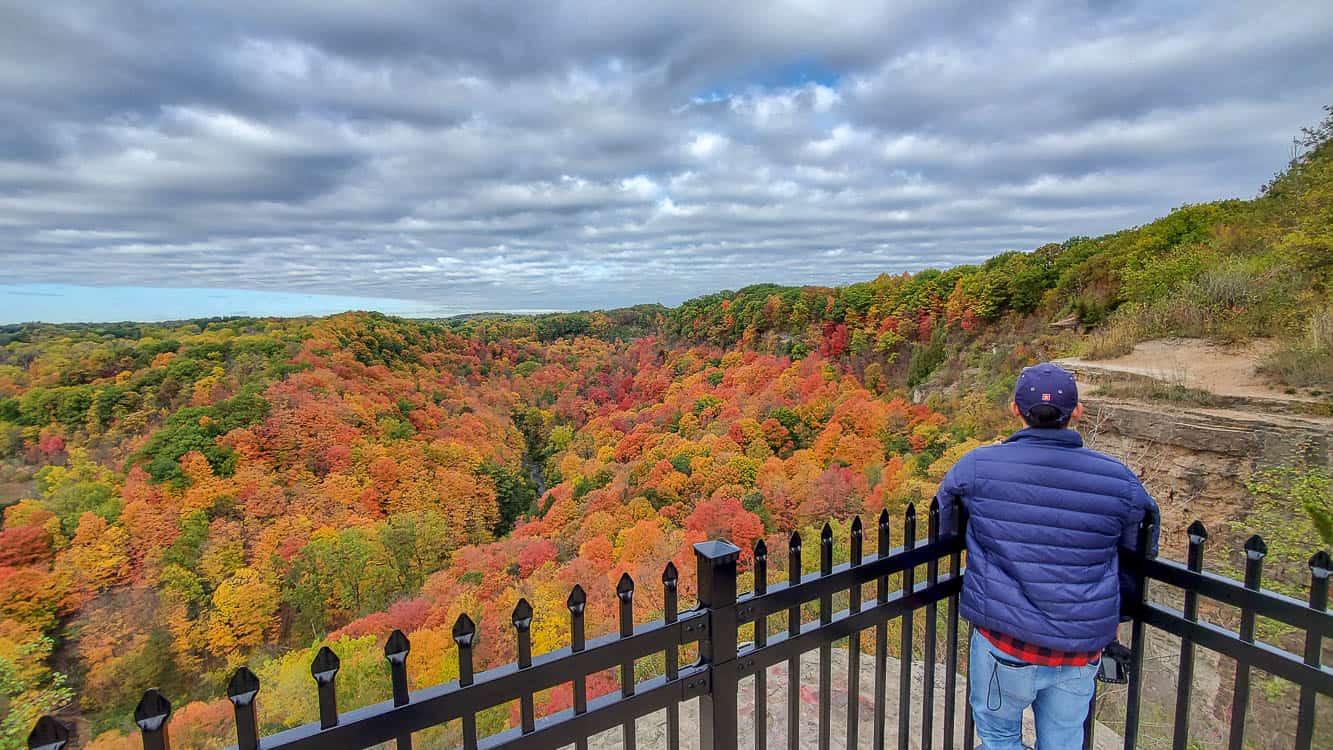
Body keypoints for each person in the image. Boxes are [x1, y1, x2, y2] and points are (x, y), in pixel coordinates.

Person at [936, 362, 1158, 750]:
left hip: (1006, 641)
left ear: (1014, 410)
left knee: (999, 737)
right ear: (1077, 412)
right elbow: (1137, 554)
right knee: (1064, 741)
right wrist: (1118, 615)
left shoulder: (977, 466)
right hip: (1080, 645)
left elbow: (944, 528)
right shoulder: (1117, 479)